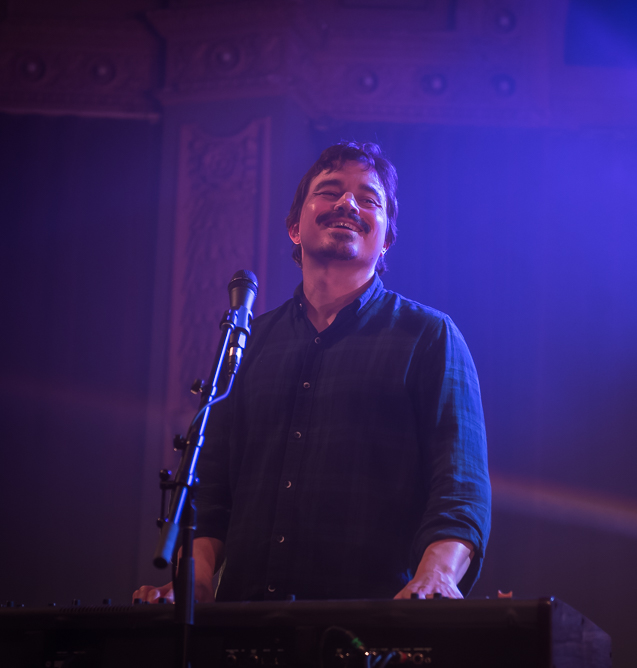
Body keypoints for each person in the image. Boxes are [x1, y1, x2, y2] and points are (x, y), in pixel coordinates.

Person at [134, 141, 490, 603]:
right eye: (330, 191)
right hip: (244, 625)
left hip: (374, 630)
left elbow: (459, 489)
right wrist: (195, 583)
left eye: (369, 198)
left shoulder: (429, 336)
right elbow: (210, 493)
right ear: (294, 229)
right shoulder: (246, 345)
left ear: (386, 241)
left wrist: (438, 575)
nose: (347, 203)